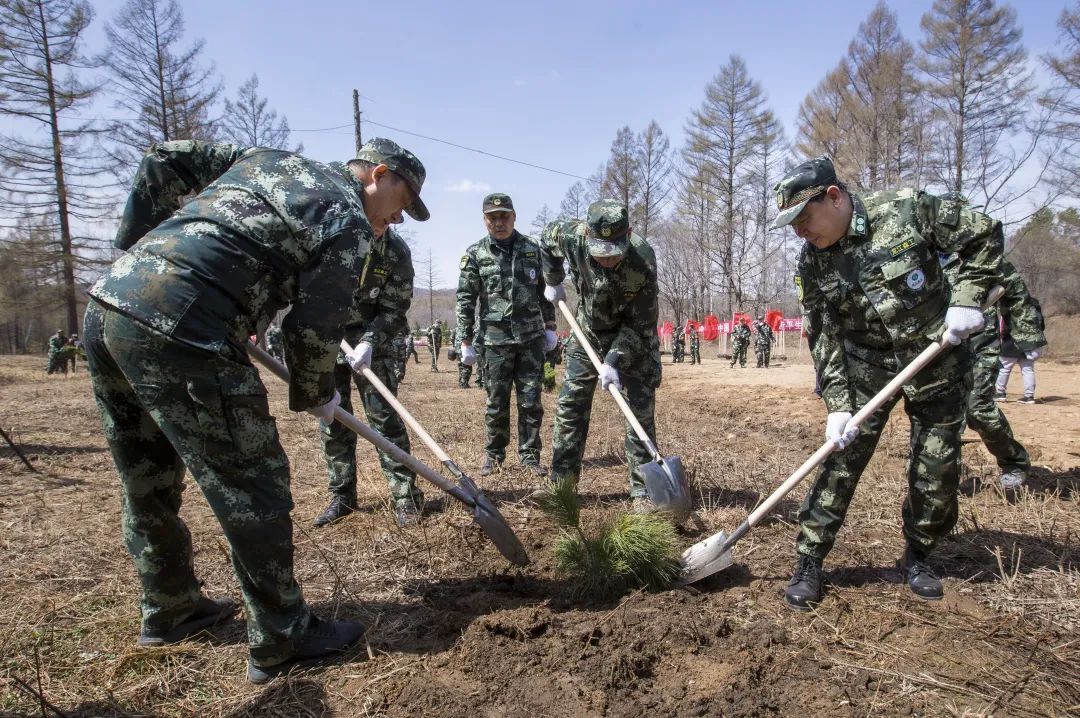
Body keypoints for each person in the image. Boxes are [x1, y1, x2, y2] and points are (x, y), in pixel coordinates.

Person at [82, 137, 430, 682]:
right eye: (402, 200)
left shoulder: (267, 159)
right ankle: (283, 633)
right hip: (186, 328)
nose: (400, 216)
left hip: (112, 307)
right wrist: (319, 393)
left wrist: (137, 249)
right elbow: (312, 327)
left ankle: (170, 607)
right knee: (254, 485)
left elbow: (165, 156)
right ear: (378, 174)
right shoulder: (347, 221)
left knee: (147, 475)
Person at [774, 156, 1001, 611]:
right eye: (791, 223)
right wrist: (838, 404)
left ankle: (920, 555)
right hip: (866, 364)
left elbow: (983, 235)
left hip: (936, 355)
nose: (800, 230)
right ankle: (810, 558)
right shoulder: (812, 261)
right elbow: (823, 333)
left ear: (833, 197)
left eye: (803, 217)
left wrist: (968, 299)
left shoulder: (906, 209)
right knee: (840, 459)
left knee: (936, 468)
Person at [540, 200, 662, 511]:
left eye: (613, 252)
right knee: (571, 404)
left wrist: (614, 360)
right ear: (587, 234)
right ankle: (562, 485)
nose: (606, 260)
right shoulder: (571, 236)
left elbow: (641, 325)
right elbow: (545, 239)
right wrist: (553, 279)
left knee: (638, 411)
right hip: (588, 331)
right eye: (599, 252)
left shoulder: (643, 260)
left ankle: (643, 493)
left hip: (632, 336)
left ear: (628, 234)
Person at [316, 222, 425, 529]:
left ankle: (405, 496)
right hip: (328, 337)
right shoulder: (332, 235)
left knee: (385, 419)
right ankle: (342, 495)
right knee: (332, 417)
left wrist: (369, 341)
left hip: (375, 343)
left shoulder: (395, 251)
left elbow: (394, 308)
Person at [456, 193, 556, 477]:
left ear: (514, 217)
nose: (499, 222)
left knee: (530, 401)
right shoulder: (475, 253)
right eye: (492, 217)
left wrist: (550, 326)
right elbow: (466, 298)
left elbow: (546, 293)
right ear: (484, 220)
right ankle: (494, 455)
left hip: (530, 339)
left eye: (504, 216)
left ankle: (529, 456)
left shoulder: (533, 249)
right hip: (494, 340)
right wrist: (465, 340)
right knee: (496, 402)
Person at [941, 255, 1046, 490]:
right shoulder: (918, 247)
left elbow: (1014, 287)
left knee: (978, 408)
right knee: (943, 410)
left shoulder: (975, 247)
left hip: (979, 344)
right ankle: (944, 478)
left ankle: (1014, 461)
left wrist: (1029, 335)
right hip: (937, 345)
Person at [995, 291, 1046, 405]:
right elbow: (1042, 326)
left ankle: (1000, 394)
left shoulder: (1010, 306)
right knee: (1028, 370)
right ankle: (1029, 396)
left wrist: (1002, 338)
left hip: (1011, 343)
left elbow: (1004, 327)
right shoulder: (1035, 306)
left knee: (1004, 368)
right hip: (1030, 344)